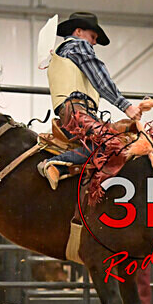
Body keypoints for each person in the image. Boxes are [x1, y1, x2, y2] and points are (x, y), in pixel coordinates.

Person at [39, 12, 142, 189]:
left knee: (119, 138)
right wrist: (126, 106)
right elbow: (99, 78)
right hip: (77, 113)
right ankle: (56, 164)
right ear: (78, 32)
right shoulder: (77, 46)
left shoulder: (61, 52)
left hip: (74, 113)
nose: (94, 42)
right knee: (113, 144)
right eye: (93, 37)